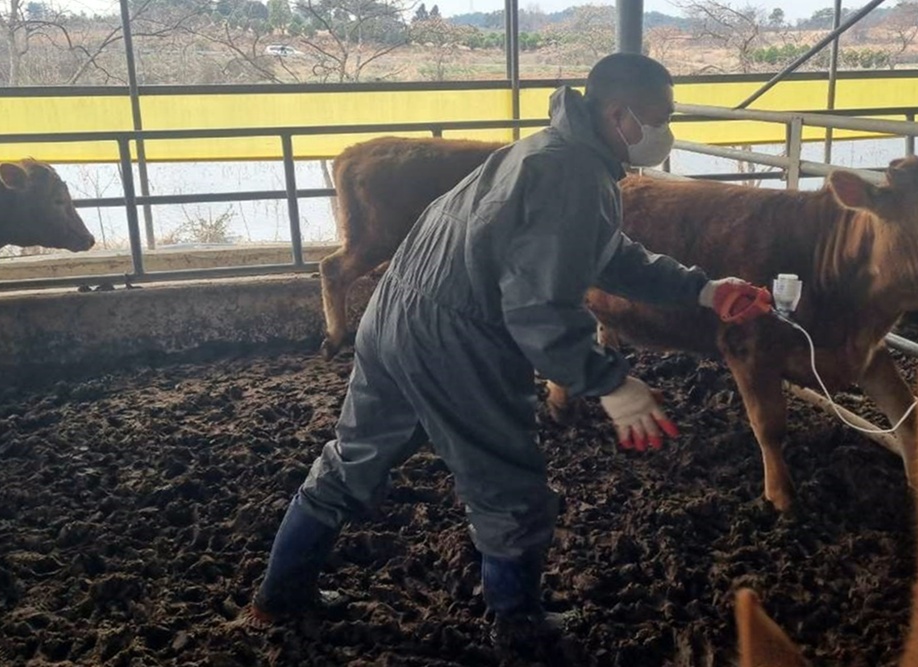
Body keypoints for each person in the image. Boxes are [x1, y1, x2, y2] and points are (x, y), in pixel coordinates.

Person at [242, 53, 772, 651]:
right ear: (619, 112)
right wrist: (610, 384)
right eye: (661, 116)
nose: (666, 132)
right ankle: (520, 630)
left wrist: (703, 289)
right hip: (456, 340)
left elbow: (605, 253)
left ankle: (277, 597)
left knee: (353, 459)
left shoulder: (549, 152)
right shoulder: (570, 173)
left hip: (394, 319)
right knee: (510, 494)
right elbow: (539, 310)